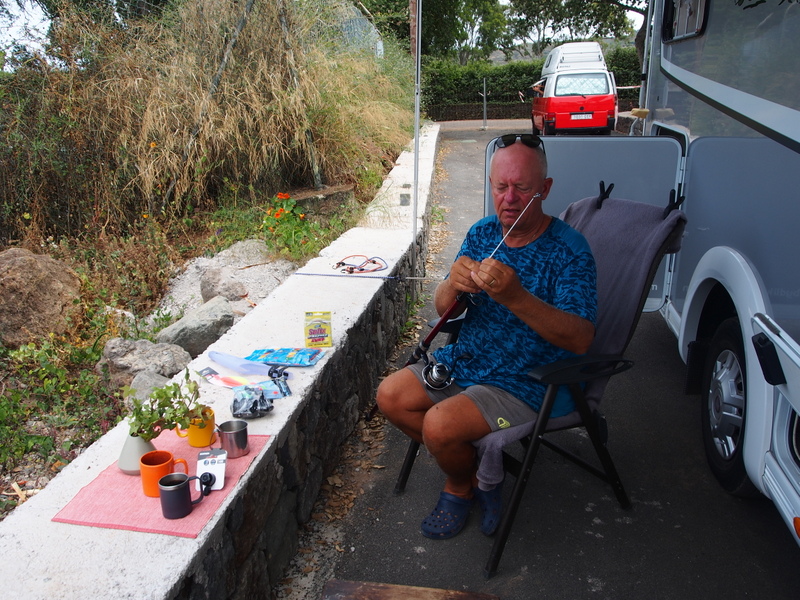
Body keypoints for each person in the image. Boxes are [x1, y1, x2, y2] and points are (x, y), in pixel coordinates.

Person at [376, 133, 597, 540]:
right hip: (468, 361)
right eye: (500, 186)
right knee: (390, 397)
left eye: (522, 188)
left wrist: (516, 297)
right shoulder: (482, 233)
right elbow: (445, 306)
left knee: (439, 427)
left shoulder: (569, 250)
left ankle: (461, 484)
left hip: (526, 381)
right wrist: (451, 286)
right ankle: (474, 469)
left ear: (545, 189)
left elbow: (581, 338)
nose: (509, 198)